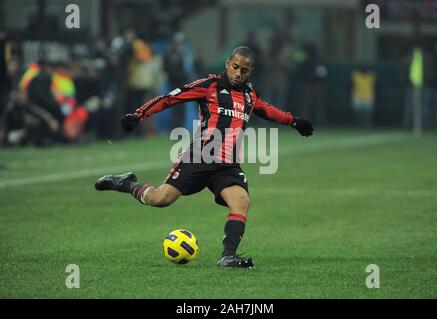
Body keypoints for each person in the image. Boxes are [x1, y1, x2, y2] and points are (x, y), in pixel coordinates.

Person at [94, 46, 314, 268]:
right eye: (235, 67)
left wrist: (293, 121)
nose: (238, 74)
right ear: (228, 63)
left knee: (241, 202)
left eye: (244, 70)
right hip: (200, 157)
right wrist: (138, 115)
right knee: (161, 199)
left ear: (251, 71)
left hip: (227, 165)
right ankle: (124, 184)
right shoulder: (209, 86)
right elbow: (171, 98)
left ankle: (228, 256)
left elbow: (268, 110)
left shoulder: (249, 95)